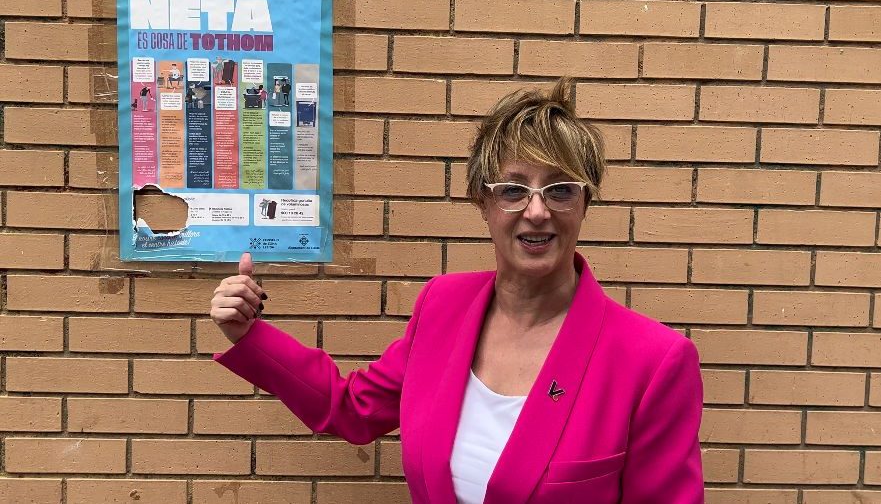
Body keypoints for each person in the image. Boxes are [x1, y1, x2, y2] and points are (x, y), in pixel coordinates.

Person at [210, 77, 704, 503]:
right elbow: (353, 410)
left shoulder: (652, 361)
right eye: (513, 190)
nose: (537, 211)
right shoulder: (443, 306)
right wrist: (248, 335)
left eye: (559, 189)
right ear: (482, 203)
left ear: (584, 203)